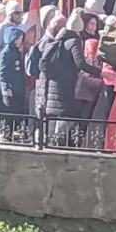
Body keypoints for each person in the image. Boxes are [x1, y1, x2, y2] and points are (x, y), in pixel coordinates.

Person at [41, 10, 102, 143]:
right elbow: (80, 63)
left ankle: (47, 144)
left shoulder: (57, 40)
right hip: (66, 85)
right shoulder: (74, 41)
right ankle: (59, 144)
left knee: (53, 116)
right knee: (65, 116)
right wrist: (99, 72)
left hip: (53, 83)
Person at [0, 25, 27, 115]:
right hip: (11, 88)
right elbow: (2, 72)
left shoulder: (16, 52)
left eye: (21, 39)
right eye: (18, 39)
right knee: (9, 112)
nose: (20, 41)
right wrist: (6, 88)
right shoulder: (7, 53)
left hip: (17, 88)